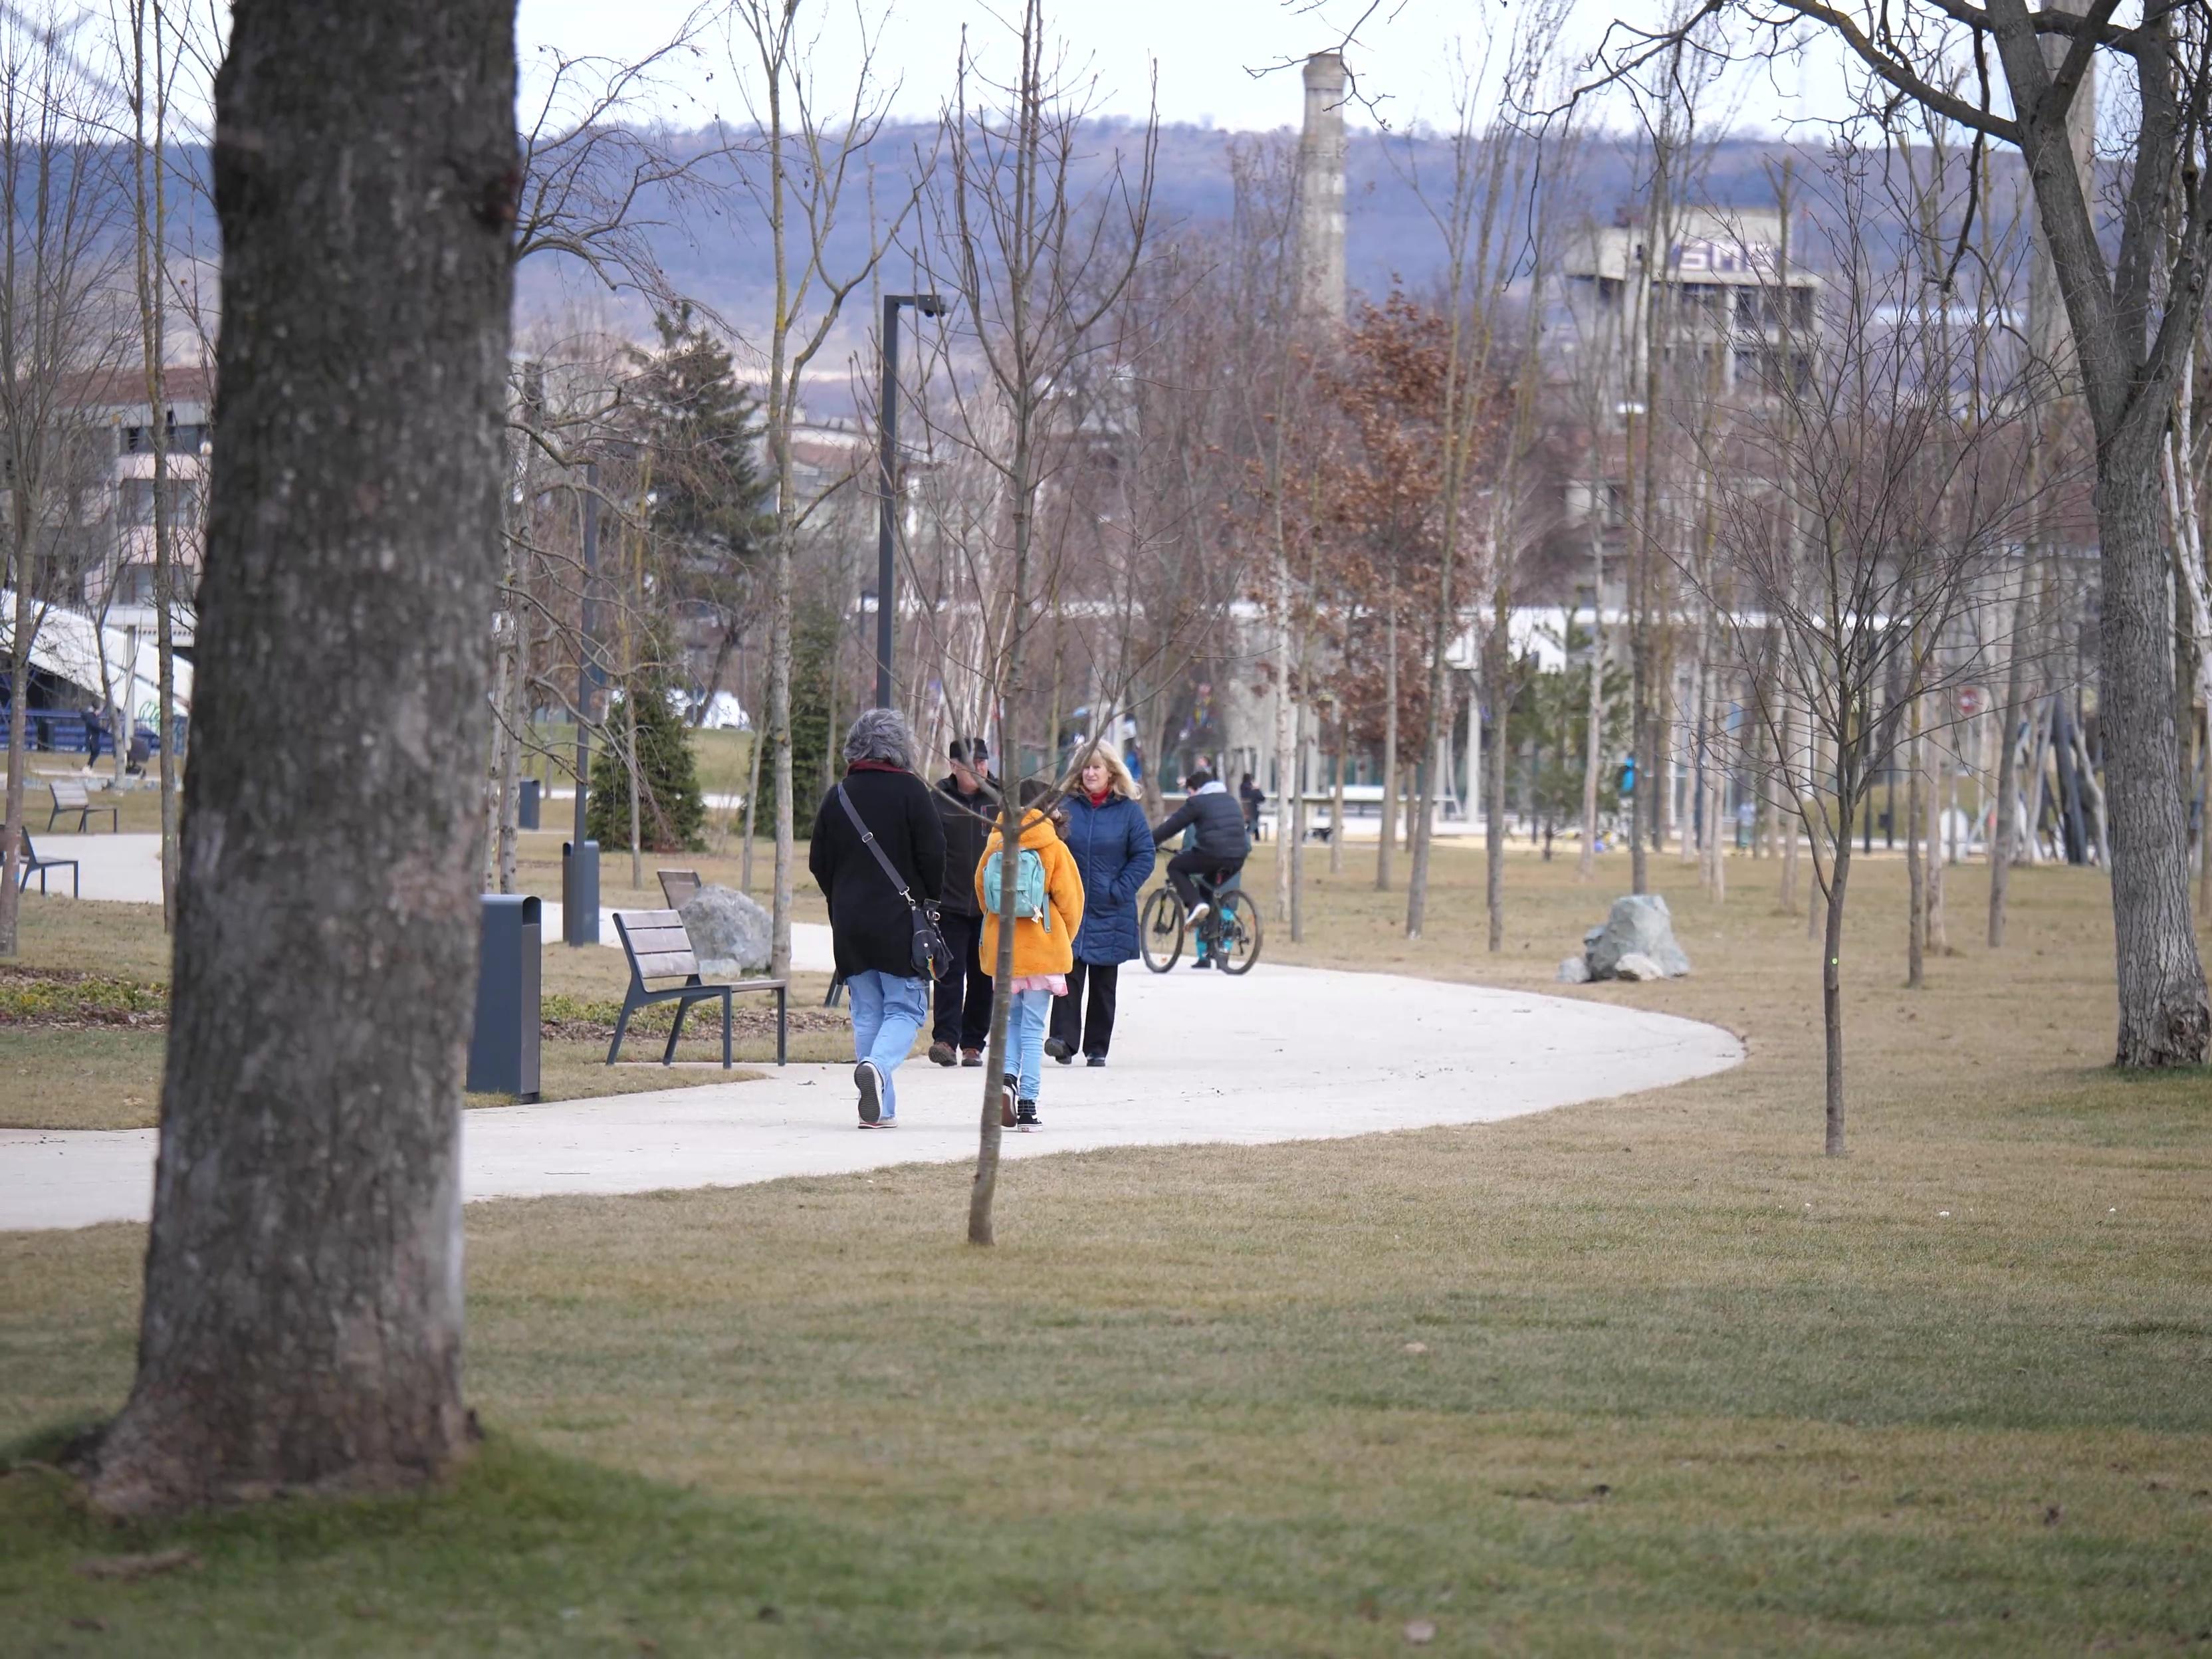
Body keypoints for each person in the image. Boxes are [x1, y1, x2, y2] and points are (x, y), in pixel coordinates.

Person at [808, 708, 946, 1129]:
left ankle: (881, 1109)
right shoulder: (912, 793)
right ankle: (877, 1067)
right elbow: (934, 854)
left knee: (868, 1012)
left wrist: (842, 898)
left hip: (849, 923)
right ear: (902, 747)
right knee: (905, 1010)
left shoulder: (839, 796)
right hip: (900, 922)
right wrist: (930, 900)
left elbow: (818, 862)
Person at [976, 779, 1083, 1129]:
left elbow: (982, 890)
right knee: (1034, 1028)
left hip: (1004, 952)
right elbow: (1071, 901)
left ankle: (1007, 1080)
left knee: (1010, 1023)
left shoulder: (996, 843)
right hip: (1042, 950)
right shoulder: (1052, 847)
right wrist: (1061, 938)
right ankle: (1028, 1105)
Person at [1047, 744, 1154, 1067]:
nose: (1090, 774)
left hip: (1112, 908)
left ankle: (1097, 1048)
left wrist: (1119, 889)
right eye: (1085, 768)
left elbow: (1145, 855)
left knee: (1104, 984)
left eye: (1096, 768)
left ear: (1111, 771)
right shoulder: (1065, 807)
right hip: (1072, 907)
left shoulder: (1128, 811)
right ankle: (1063, 1042)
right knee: (1068, 975)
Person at [929, 736, 998, 1067]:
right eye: (974, 764)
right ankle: (945, 1039)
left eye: (984, 762)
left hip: (990, 907)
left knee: (983, 977)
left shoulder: (1001, 800)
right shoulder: (938, 799)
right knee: (948, 974)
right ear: (955, 766)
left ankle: (973, 1044)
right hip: (950, 904)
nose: (981, 768)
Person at [1150, 768, 1250, 970]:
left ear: (1196, 789)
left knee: (1176, 866)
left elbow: (1172, 826)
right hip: (1238, 856)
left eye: (1189, 792)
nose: (1188, 796)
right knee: (1208, 887)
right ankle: (1212, 931)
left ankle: (1195, 904)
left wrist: (1148, 842)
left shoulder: (1198, 802)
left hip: (1212, 853)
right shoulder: (1229, 800)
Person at [1238, 771, 1266, 841]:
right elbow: (1262, 799)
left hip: (1243, 813)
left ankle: (1257, 837)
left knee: (1253, 821)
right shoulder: (1253, 791)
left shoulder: (1241, 789)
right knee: (1254, 820)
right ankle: (1250, 835)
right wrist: (1257, 789)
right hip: (1253, 814)